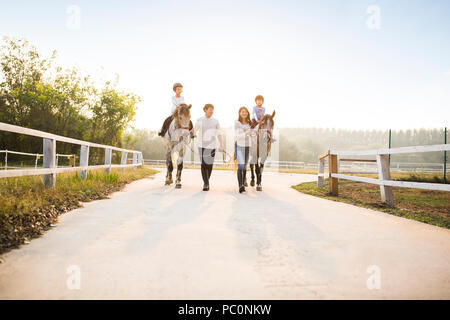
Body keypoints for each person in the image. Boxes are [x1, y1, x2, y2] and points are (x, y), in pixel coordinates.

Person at [195, 104, 223, 191]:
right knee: (203, 164)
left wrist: (221, 144)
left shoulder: (215, 121)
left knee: (209, 165)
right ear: (205, 110)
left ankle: (206, 181)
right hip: (201, 145)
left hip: (212, 146)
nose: (212, 111)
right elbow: (194, 131)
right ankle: (206, 183)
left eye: (212, 110)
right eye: (210, 109)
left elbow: (219, 134)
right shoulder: (199, 120)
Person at [235, 106, 253, 193]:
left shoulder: (250, 123)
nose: (244, 113)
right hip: (239, 146)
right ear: (239, 113)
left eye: (245, 111)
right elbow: (238, 136)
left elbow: (253, 134)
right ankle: (240, 185)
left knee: (245, 165)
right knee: (240, 165)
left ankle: (243, 182)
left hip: (247, 146)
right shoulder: (237, 123)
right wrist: (246, 133)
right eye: (242, 111)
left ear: (248, 113)